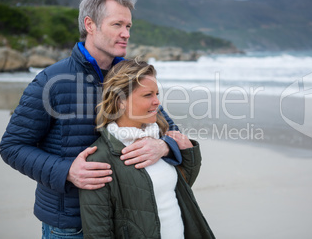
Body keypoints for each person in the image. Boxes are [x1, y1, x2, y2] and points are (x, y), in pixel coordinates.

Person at [0, 0, 181, 238]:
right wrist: (67, 171)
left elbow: (170, 130)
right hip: (70, 224)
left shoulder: (131, 78)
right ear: (90, 24)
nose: (126, 33)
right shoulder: (51, 81)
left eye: (128, 26)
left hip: (124, 220)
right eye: (117, 24)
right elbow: (12, 147)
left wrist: (163, 146)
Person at [79, 60, 215, 238]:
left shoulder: (161, 139)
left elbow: (182, 187)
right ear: (120, 101)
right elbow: (98, 232)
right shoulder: (99, 158)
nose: (157, 102)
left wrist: (189, 153)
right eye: (147, 95)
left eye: (157, 94)